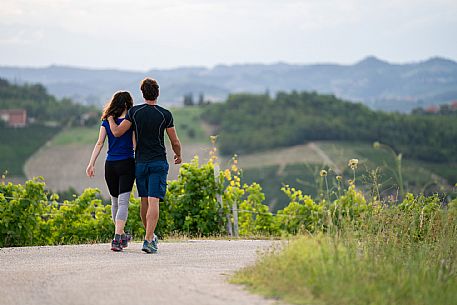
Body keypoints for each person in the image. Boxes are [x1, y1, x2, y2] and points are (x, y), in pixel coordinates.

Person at [108, 78, 182, 254]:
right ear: (157, 93)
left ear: (142, 93)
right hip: (158, 162)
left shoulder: (134, 112)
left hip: (140, 163)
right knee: (154, 200)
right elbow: (175, 141)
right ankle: (148, 240)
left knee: (144, 200)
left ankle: (150, 235)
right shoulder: (165, 114)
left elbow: (118, 132)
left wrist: (110, 119)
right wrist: (178, 154)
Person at [86, 91, 136, 252]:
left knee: (115, 202)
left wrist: (91, 163)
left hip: (110, 165)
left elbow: (99, 143)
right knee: (123, 203)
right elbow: (135, 145)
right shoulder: (130, 122)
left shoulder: (107, 122)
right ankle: (117, 237)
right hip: (127, 164)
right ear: (128, 104)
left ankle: (120, 235)